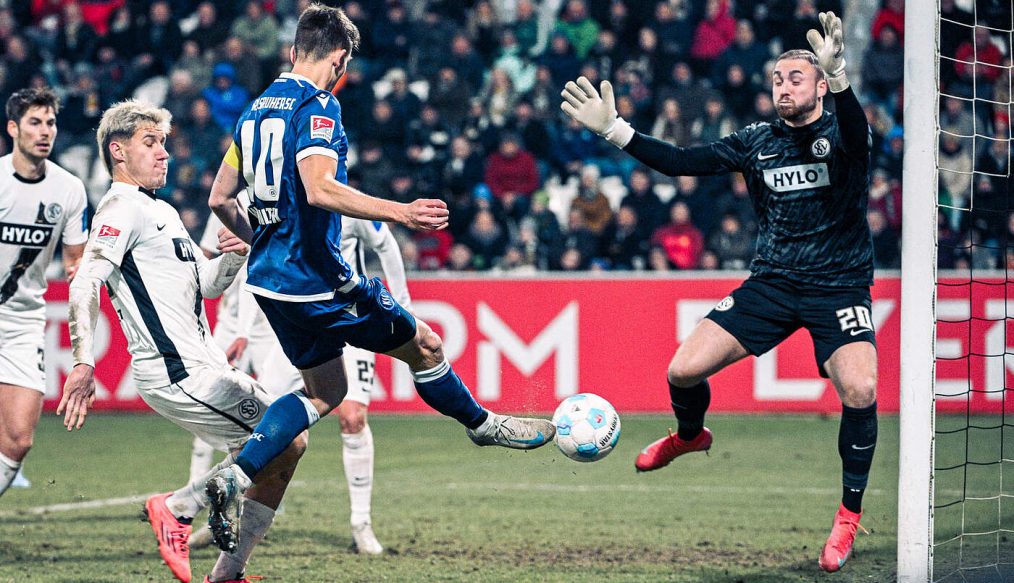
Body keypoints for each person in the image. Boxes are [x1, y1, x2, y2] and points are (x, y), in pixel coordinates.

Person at [205, 5, 554, 552]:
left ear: (294, 49)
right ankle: (482, 424)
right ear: (340, 59)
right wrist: (402, 212)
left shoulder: (253, 113)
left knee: (326, 392)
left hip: (272, 284)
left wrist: (261, 241)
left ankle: (235, 473)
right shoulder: (320, 108)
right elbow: (320, 189)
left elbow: (219, 198)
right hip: (323, 283)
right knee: (427, 345)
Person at [561, 11, 877, 573]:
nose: (783, 86)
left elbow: (856, 136)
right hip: (773, 283)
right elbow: (683, 162)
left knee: (859, 387)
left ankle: (848, 517)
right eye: (777, 79)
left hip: (838, 285)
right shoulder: (756, 142)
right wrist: (615, 130)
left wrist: (845, 84)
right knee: (682, 370)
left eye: (796, 78)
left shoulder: (842, 133)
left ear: (821, 85)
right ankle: (689, 435)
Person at [58, 100, 306, 583]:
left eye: (164, 144)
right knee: (281, 441)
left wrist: (237, 254)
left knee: (288, 444)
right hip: (175, 371)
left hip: (205, 363)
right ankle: (176, 506)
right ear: (118, 151)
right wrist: (83, 361)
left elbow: (206, 284)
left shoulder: (162, 211)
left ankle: (226, 573)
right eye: (149, 143)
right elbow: (85, 281)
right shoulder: (119, 208)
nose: (163, 153)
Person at [189, 207, 407, 556]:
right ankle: (231, 510)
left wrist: (403, 304)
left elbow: (386, 245)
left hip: (352, 320)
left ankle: (361, 525)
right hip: (304, 325)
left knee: (352, 418)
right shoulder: (283, 203)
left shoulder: (349, 203)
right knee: (263, 424)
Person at [0, 87, 87, 498]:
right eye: (34, 122)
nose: (45, 131)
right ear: (13, 128)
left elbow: (76, 265)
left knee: (19, 438)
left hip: (21, 322)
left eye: (50, 122)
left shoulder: (68, 189)